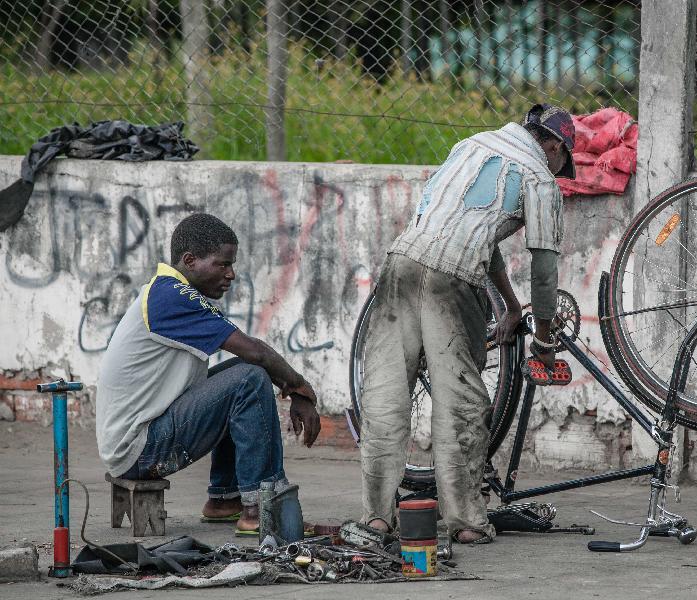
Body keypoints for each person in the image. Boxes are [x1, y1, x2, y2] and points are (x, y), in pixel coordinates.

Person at [360, 104, 576, 544]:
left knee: (385, 392)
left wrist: (511, 308)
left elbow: (474, 231)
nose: (559, 168)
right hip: (452, 281)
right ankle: (465, 522)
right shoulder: (540, 179)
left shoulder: (471, 146)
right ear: (553, 146)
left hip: (400, 264)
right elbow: (545, 269)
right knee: (460, 401)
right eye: (562, 159)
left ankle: (377, 517)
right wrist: (545, 338)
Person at [95, 213, 321, 535]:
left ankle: (224, 500)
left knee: (244, 377)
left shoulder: (170, 292)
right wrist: (300, 389)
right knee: (250, 379)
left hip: (136, 440)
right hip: (140, 448)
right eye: (222, 264)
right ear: (190, 260)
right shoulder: (172, 298)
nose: (231, 274)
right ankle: (263, 510)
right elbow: (254, 351)